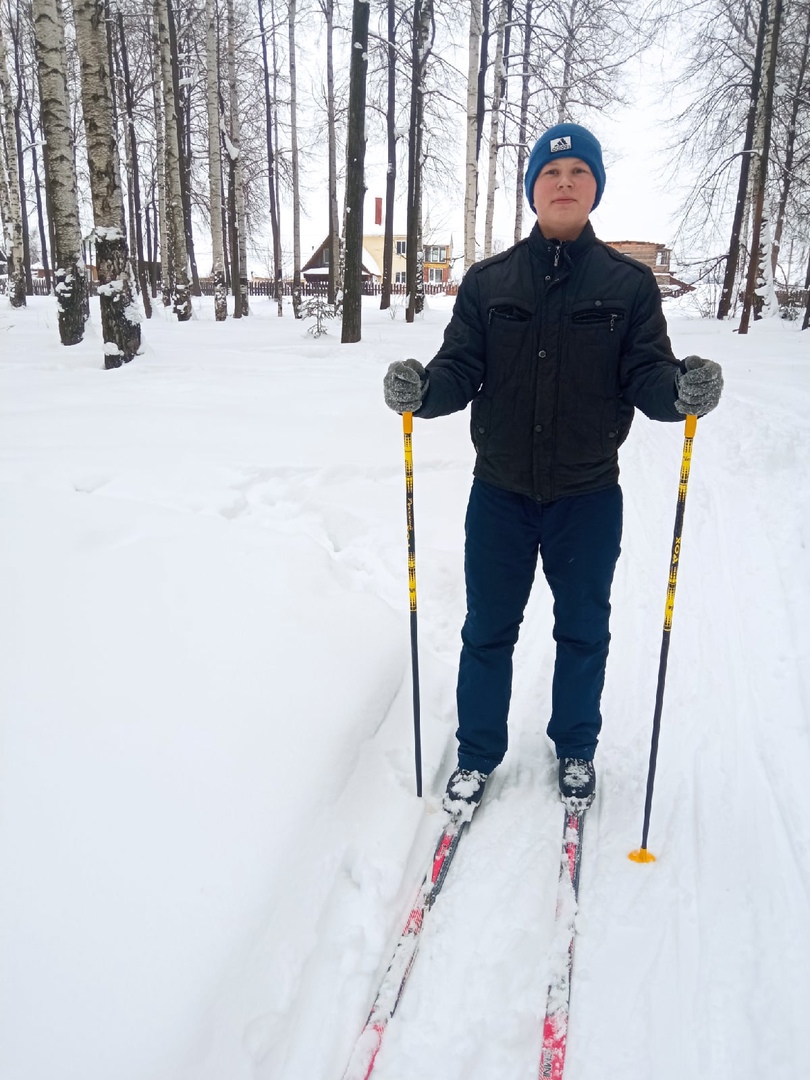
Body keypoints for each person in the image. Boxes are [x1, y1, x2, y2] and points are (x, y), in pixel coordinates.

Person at [383, 123, 723, 815]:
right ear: (533, 187)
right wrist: (421, 388)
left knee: (583, 630)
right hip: (500, 494)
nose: (563, 181)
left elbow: (648, 375)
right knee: (487, 631)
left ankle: (576, 748)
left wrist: (681, 390)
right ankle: (478, 753)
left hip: (588, 496)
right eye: (550, 171)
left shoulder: (628, 286)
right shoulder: (490, 282)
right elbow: (460, 368)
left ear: (594, 187)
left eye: (577, 171)